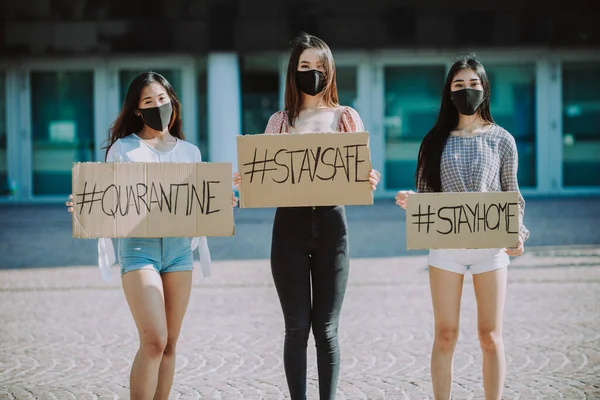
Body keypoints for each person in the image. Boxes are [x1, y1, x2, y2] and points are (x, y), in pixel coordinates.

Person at [66, 72, 237, 400]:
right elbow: (108, 200)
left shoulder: (190, 152)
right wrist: (85, 204)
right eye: (148, 102)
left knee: (171, 344)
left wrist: (221, 202)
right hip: (139, 248)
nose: (157, 106)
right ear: (137, 111)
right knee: (155, 340)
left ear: (173, 102)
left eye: (162, 99)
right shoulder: (124, 149)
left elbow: (198, 205)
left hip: (179, 251)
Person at [235, 32, 380, 400]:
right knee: (296, 328)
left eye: (319, 66)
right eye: (304, 66)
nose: (312, 72)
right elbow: (264, 181)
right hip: (289, 230)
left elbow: (360, 174)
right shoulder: (279, 121)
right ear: (293, 71)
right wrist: (245, 181)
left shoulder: (346, 117)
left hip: (333, 228)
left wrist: (369, 177)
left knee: (327, 329)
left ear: (330, 70)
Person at [395, 55, 529, 400]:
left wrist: (518, 233)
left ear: (485, 89)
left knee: (490, 335)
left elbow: (511, 194)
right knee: (445, 334)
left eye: (473, 84)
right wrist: (412, 202)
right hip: (446, 251)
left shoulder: (502, 139)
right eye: (458, 85)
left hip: (490, 250)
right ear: (448, 92)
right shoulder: (433, 140)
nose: (466, 90)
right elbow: (426, 195)